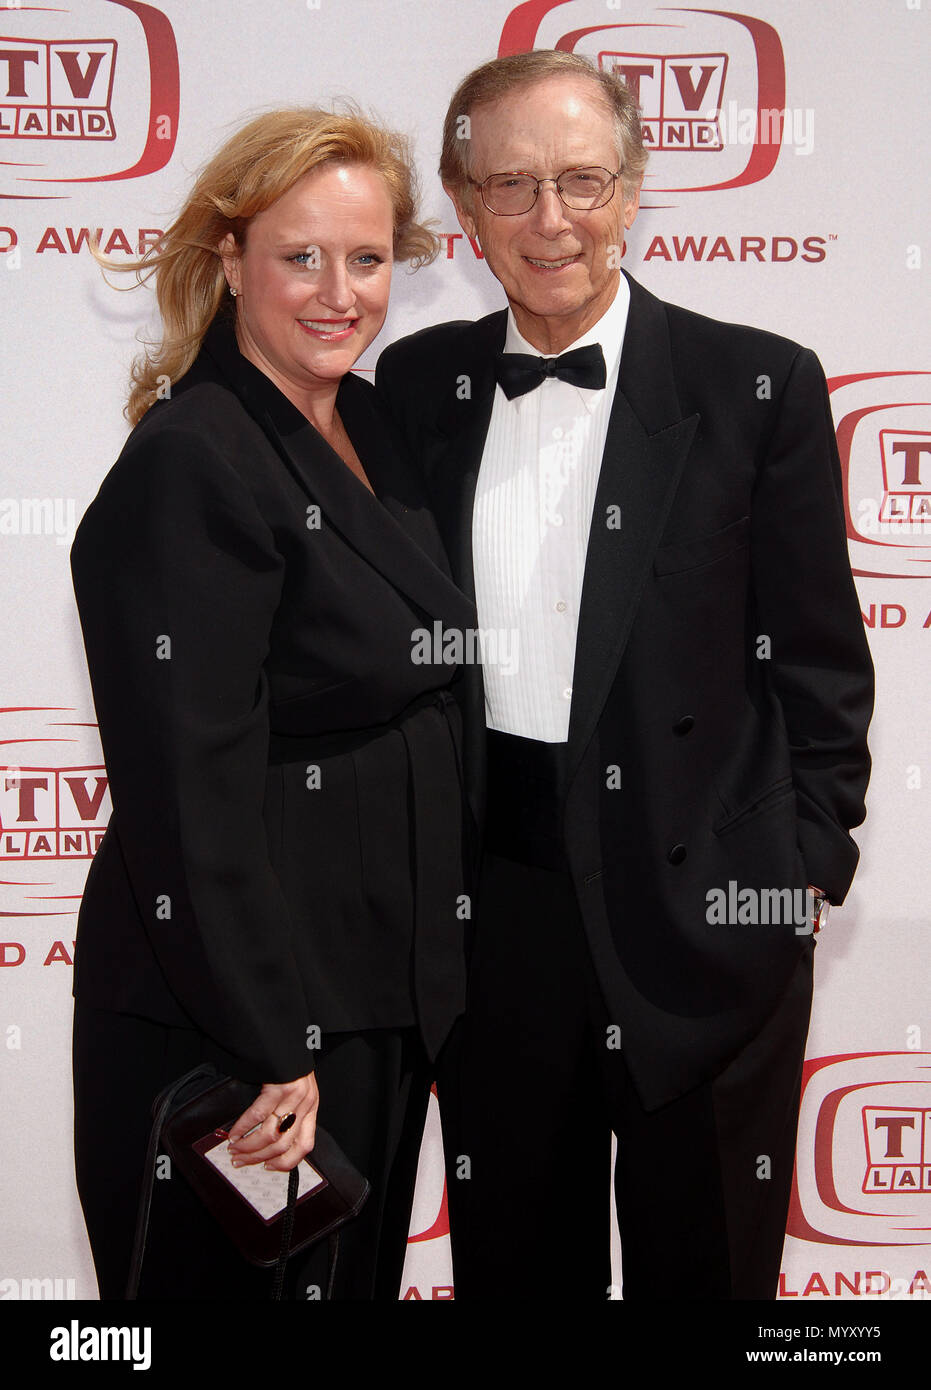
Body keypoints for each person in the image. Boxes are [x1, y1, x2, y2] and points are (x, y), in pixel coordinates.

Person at [376, 50, 874, 1299]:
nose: (551, 220)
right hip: (497, 921)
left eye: (583, 180)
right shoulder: (417, 386)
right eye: (512, 186)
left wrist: (800, 872)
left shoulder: (756, 384)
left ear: (636, 188)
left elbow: (819, 663)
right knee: (514, 1271)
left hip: (705, 909)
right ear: (464, 204)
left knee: (701, 1271)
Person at [70, 107, 476, 1301]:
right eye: (299, 256)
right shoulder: (195, 456)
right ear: (230, 257)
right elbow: (188, 790)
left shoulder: (370, 428)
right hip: (242, 1016)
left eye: (362, 258)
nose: (336, 292)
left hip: (369, 999)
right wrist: (268, 1042)